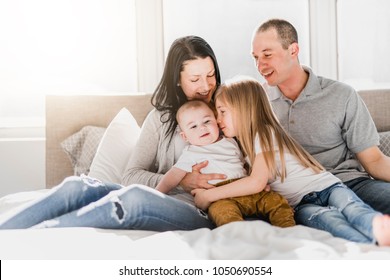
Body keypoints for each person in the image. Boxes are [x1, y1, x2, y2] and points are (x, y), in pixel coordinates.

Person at [0, 35, 225, 230]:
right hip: (162, 195)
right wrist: (181, 181)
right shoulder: (160, 119)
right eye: (195, 79)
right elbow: (130, 176)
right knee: (77, 187)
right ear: (177, 80)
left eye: (210, 75)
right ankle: (7, 234)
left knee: (134, 199)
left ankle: (35, 235)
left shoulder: (226, 109)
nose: (205, 86)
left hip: (197, 210)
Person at [192, 77, 390, 246]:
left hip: (327, 187)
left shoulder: (263, 134)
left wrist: (210, 195)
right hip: (300, 204)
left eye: (222, 112)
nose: (218, 119)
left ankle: (377, 227)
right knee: (330, 222)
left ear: (243, 109)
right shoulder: (243, 150)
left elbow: (255, 182)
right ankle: (368, 248)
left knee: (352, 208)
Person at [250, 18, 390, 215]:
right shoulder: (256, 102)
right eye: (255, 57)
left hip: (350, 183)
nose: (260, 65)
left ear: (293, 50)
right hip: (298, 196)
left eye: (267, 55)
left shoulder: (342, 95)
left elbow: (374, 160)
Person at [156, 99, 295, 227]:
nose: (202, 128)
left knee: (276, 202)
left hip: (243, 187)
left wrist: (258, 181)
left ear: (217, 123)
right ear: (184, 136)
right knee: (223, 214)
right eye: (193, 127)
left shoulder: (231, 141)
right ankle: (240, 239)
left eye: (207, 121)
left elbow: (245, 164)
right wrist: (157, 194)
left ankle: (287, 230)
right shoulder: (191, 153)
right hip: (219, 197)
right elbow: (172, 177)